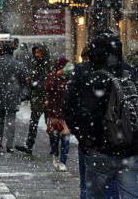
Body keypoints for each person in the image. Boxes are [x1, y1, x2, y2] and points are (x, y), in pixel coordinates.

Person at [63, 33, 138, 198]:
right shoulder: (128, 72)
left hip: (98, 148)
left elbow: (69, 107)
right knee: (131, 194)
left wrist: (84, 139)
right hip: (130, 149)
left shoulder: (85, 72)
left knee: (93, 193)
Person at [0, 43, 29, 153]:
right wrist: (22, 94)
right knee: (11, 119)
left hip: (0, 94)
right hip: (14, 94)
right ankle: (9, 144)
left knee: (0, 118)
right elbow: (24, 81)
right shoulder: (18, 64)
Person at [16, 43, 51, 155]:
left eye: (39, 52)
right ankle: (29, 146)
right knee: (33, 123)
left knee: (50, 124)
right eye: (35, 52)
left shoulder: (49, 64)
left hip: (48, 98)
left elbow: (51, 79)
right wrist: (30, 80)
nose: (37, 54)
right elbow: (34, 78)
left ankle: (54, 147)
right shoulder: (35, 64)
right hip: (37, 97)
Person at [44, 57, 72, 171]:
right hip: (54, 112)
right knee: (54, 137)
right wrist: (56, 76)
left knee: (66, 138)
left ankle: (63, 161)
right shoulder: (52, 76)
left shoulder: (70, 78)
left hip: (66, 112)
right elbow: (47, 88)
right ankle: (55, 155)